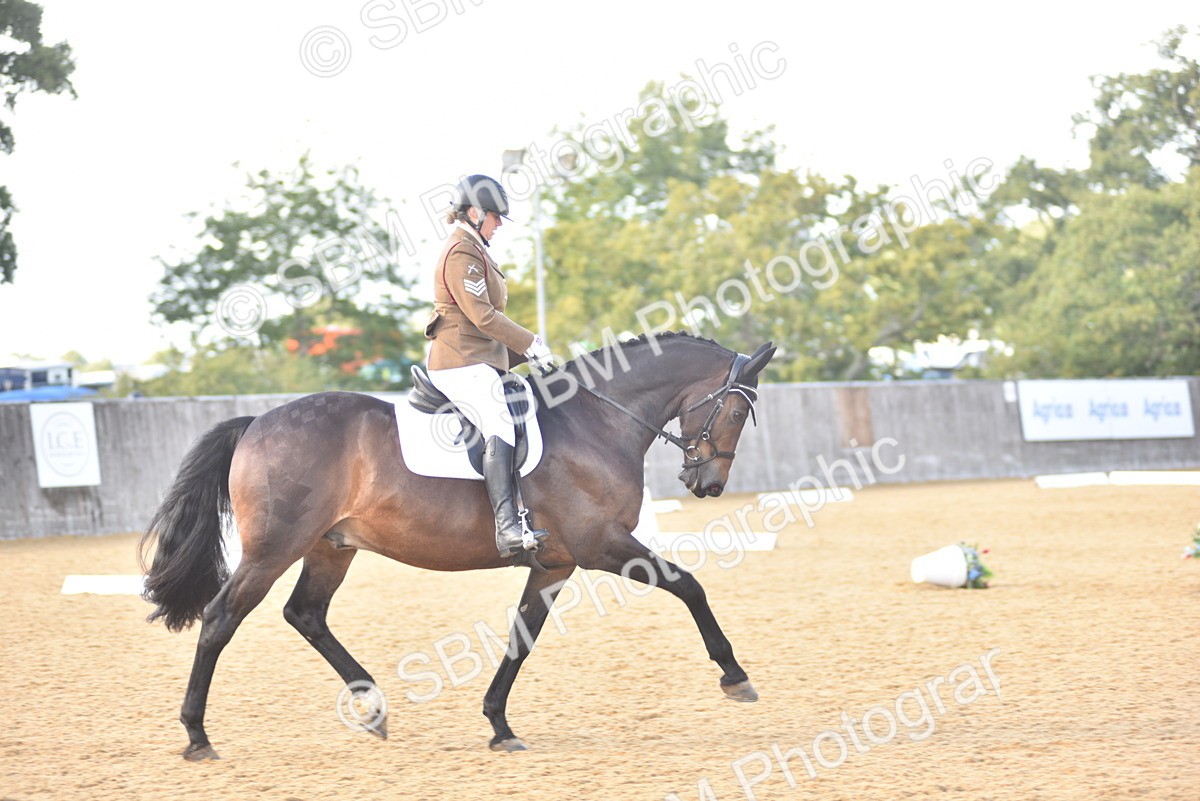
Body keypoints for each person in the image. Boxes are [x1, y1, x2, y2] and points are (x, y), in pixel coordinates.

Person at [423, 174, 554, 559]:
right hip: (459, 360)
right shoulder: (461, 252)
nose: (498, 225)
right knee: (498, 418)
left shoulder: (476, 248)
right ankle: (507, 526)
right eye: (496, 217)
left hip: (478, 357)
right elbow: (482, 316)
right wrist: (531, 343)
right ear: (476, 212)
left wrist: (525, 356)